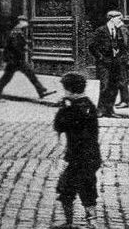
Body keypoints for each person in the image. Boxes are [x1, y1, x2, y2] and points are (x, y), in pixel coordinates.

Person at [53, 72, 102, 228]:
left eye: (65, 89)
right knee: (83, 187)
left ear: (70, 90)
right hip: (90, 157)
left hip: (80, 158)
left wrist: (64, 109)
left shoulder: (75, 108)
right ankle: (89, 221)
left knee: (70, 188)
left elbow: (60, 126)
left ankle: (73, 222)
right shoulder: (88, 105)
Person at [0, 16, 55, 101]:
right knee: (8, 78)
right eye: (25, 21)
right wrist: (23, 49)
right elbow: (15, 46)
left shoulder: (17, 31)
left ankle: (41, 91)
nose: (27, 23)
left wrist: (25, 48)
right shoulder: (16, 31)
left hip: (15, 59)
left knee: (28, 74)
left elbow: (17, 44)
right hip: (15, 60)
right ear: (21, 22)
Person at [89, 10, 129, 117]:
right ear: (111, 18)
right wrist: (100, 58)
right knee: (105, 86)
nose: (121, 21)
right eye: (119, 18)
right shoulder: (101, 30)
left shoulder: (119, 30)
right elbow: (92, 46)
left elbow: (125, 45)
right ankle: (100, 110)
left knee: (114, 87)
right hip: (104, 63)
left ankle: (109, 110)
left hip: (115, 62)